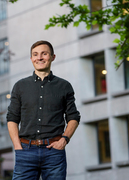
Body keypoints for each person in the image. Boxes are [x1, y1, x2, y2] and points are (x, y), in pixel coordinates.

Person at [6, 40, 80, 180]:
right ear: (31, 59)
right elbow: (12, 118)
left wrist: (64, 140)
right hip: (25, 150)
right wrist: (17, 146)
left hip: (54, 151)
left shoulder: (64, 86)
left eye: (44, 54)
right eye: (35, 54)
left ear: (52, 57)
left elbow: (73, 117)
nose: (39, 57)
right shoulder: (20, 86)